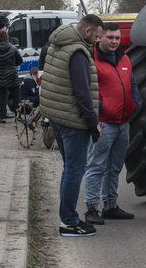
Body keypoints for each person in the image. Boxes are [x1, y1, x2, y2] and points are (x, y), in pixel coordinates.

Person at [39, 14, 103, 238]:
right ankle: (69, 222)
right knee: (75, 171)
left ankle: (68, 217)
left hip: (57, 116)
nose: (95, 42)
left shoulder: (57, 43)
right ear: (87, 31)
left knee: (70, 170)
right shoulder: (77, 52)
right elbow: (83, 93)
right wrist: (93, 123)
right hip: (73, 121)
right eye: (96, 37)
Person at [83, 23, 139, 224]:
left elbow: (131, 83)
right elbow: (88, 92)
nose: (115, 41)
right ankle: (91, 208)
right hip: (104, 124)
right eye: (110, 38)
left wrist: (135, 104)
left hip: (123, 123)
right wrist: (97, 115)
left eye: (117, 38)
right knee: (96, 166)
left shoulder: (124, 59)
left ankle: (110, 205)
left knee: (114, 167)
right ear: (100, 38)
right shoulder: (92, 61)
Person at [0, 29, 23, 122]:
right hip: (11, 75)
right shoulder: (13, 48)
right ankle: (18, 115)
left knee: (1, 98)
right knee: (16, 96)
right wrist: (12, 65)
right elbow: (20, 60)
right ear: (7, 37)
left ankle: (2, 116)